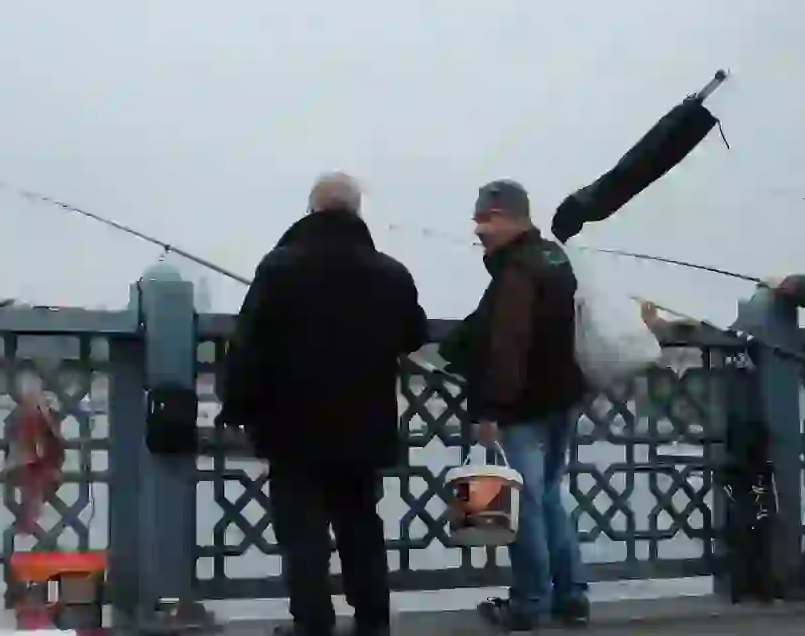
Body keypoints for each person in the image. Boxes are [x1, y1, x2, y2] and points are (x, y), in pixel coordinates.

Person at [218, 172, 429, 636]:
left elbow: (247, 345)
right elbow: (414, 333)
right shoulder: (391, 273)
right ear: (356, 212)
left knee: (303, 536)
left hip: (292, 428)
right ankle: (373, 621)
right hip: (364, 425)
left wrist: (236, 408)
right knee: (361, 528)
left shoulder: (279, 267)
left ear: (312, 210)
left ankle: (313, 623)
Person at [439, 179, 590, 631]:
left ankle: (529, 604)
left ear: (511, 217)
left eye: (487, 219)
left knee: (521, 507)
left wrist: (491, 411)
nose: (479, 230)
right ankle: (571, 596)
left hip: (523, 407)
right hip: (562, 399)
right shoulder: (553, 259)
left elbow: (508, 344)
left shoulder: (517, 271)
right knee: (546, 500)